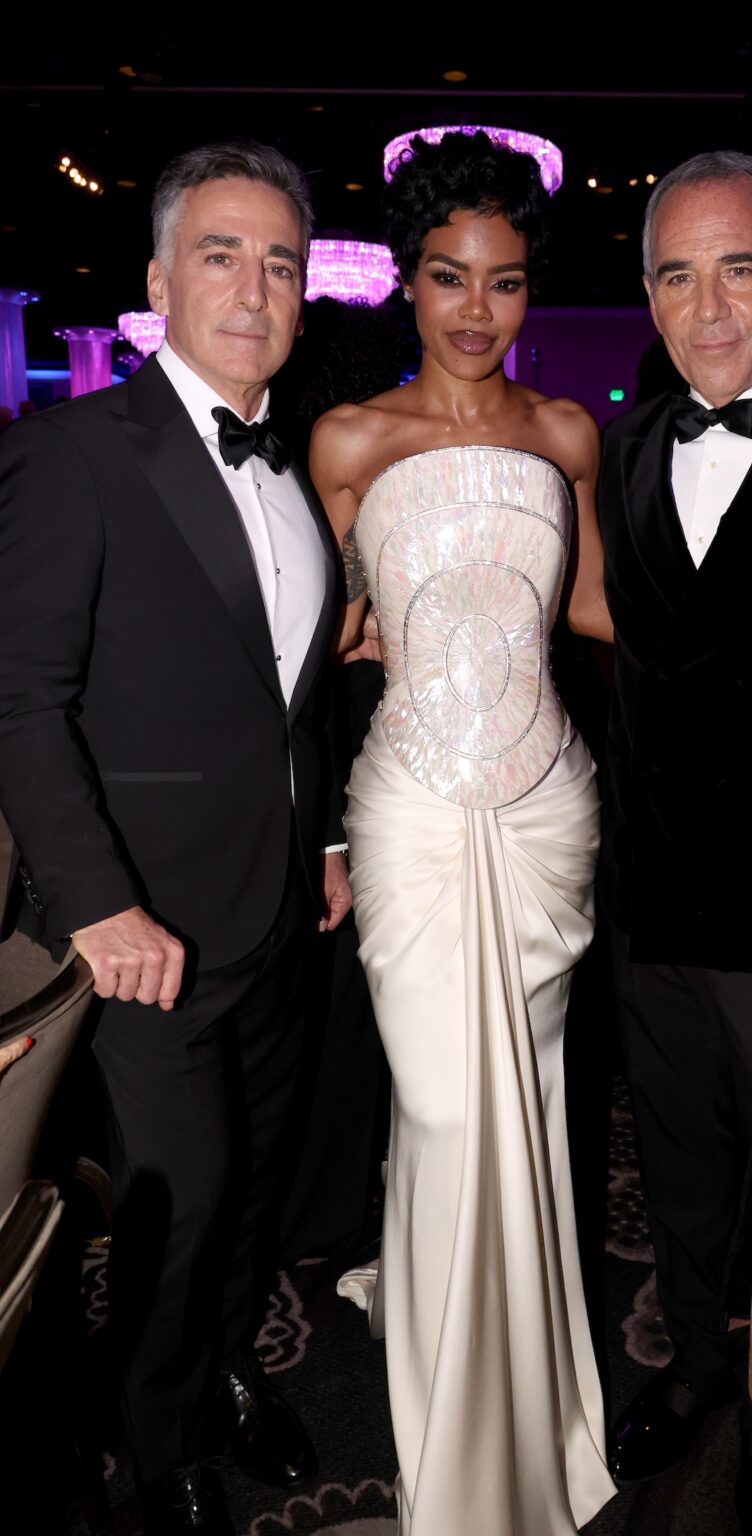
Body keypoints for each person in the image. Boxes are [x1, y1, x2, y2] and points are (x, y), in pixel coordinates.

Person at [0, 141, 351, 1536]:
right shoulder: (72, 452)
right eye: (221, 252)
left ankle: (211, 1382)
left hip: (273, 909)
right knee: (182, 1200)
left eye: (278, 260)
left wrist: (319, 839)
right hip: (143, 925)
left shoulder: (297, 461)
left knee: (254, 1187)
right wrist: (96, 906)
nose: (253, 285)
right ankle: (157, 1447)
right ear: (157, 280)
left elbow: (291, 695)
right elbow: (18, 699)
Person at [310, 130, 617, 1536]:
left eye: (501, 283)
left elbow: (601, 616)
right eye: (448, 278)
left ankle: (538, 1405)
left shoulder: (567, 438)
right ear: (410, 286)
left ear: (526, 290)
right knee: (440, 1107)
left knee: (531, 1111)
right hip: (413, 815)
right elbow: (326, 644)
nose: (474, 311)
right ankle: (449, 1453)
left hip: (547, 808)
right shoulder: (350, 441)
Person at [597, 150, 752, 1492]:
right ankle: (695, 1367)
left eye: (736, 268)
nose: (706, 308)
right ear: (645, 290)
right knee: (682, 1171)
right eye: (676, 275)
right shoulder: (629, 443)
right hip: (657, 897)